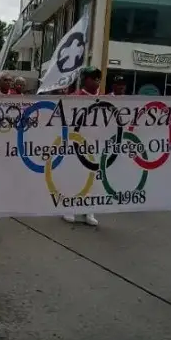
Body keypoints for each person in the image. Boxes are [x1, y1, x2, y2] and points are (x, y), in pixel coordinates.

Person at [63, 66, 100, 227]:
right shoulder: (74, 97)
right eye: (94, 77)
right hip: (76, 143)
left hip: (95, 144)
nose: (97, 80)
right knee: (73, 176)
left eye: (99, 77)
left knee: (91, 178)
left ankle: (88, 210)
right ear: (86, 80)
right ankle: (68, 207)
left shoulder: (104, 97)